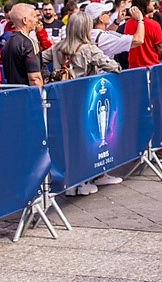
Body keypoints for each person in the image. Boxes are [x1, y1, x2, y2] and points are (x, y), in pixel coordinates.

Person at [42, 12, 122, 195]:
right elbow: (113, 67)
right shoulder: (88, 49)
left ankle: (70, 183)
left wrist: (48, 76)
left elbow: (38, 60)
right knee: (84, 141)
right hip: (83, 102)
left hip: (59, 100)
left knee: (66, 142)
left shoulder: (57, 48)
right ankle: (81, 181)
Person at [4, 3, 44, 86]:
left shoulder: (8, 42)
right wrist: (41, 97)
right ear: (25, 20)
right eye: (34, 16)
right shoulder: (29, 43)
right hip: (27, 95)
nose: (37, 20)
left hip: (12, 94)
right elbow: (35, 78)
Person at [123, 0, 162, 68]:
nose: (154, 3)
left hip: (133, 68)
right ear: (146, 4)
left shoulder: (128, 24)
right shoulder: (154, 25)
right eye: (151, 1)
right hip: (152, 67)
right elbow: (161, 50)